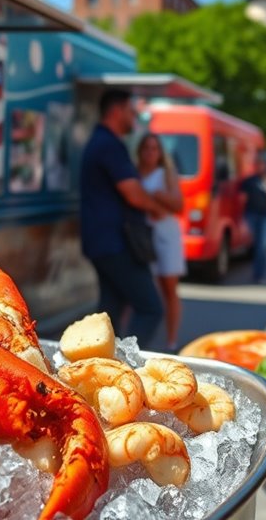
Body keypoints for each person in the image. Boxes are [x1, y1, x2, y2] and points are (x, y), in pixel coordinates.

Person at [79, 89, 168, 345]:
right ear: (116, 111)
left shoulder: (100, 141)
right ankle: (129, 367)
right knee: (151, 308)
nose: (135, 118)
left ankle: (103, 368)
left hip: (102, 242)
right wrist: (156, 208)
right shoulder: (109, 144)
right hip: (116, 243)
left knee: (109, 313)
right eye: (132, 112)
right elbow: (133, 194)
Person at [136, 134, 186, 350]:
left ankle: (171, 341)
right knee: (143, 288)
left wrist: (156, 196)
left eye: (155, 148)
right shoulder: (134, 173)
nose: (150, 152)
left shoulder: (166, 174)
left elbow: (178, 204)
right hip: (142, 236)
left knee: (169, 288)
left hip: (165, 234)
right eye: (147, 148)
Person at [239, 155, 266, 284]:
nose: (260, 167)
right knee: (253, 244)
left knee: (263, 246)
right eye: (258, 164)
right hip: (251, 214)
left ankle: (259, 274)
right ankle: (254, 270)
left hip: (265, 217)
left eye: (263, 164)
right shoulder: (249, 181)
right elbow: (242, 199)